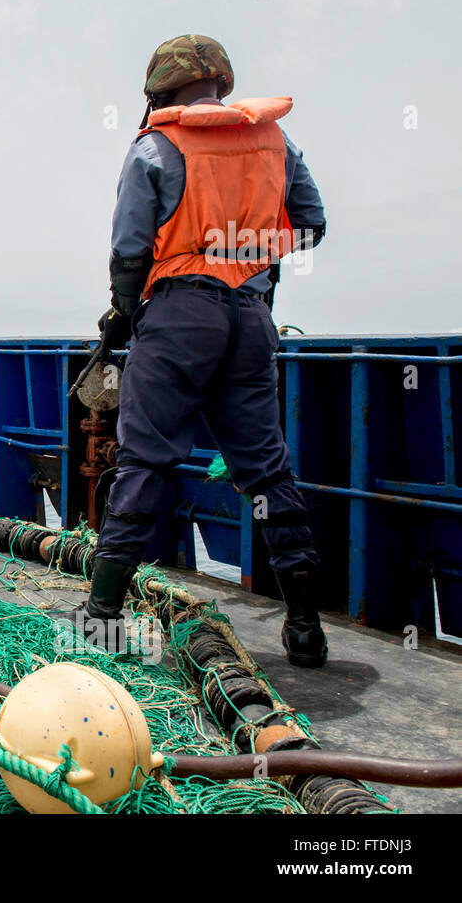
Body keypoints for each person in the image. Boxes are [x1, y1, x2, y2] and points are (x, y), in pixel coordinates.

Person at [80, 34, 329, 668]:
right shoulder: (277, 141)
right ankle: (305, 628)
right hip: (250, 318)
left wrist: (126, 311)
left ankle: (103, 619)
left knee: (145, 461)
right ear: (221, 80)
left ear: (159, 89)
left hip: (179, 315)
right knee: (267, 471)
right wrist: (252, 257)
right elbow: (312, 224)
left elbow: (131, 248)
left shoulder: (156, 145)